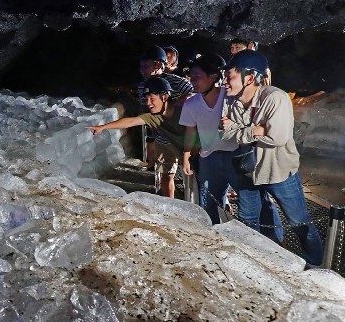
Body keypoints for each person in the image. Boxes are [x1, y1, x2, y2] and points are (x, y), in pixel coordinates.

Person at [220, 50, 322, 265]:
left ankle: (316, 264)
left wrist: (242, 130)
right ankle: (256, 263)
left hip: (278, 171)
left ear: (249, 78)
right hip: (247, 171)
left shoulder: (276, 98)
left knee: (300, 223)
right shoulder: (229, 99)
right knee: (248, 220)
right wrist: (256, 130)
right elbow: (225, 132)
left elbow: (277, 138)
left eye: (229, 76)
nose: (225, 81)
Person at [179, 53, 283, 240]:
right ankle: (211, 238)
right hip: (209, 158)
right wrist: (186, 156)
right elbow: (191, 132)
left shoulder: (231, 97)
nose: (192, 80)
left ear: (212, 77)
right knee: (209, 202)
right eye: (191, 76)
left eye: (197, 76)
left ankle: (271, 239)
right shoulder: (191, 104)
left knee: (253, 201)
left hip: (237, 156)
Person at [89, 77, 192, 198]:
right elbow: (131, 121)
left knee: (192, 178)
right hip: (165, 144)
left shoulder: (185, 110)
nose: (148, 103)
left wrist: (186, 158)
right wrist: (103, 127)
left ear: (164, 97)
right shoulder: (153, 117)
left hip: (188, 147)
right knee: (166, 176)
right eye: (147, 99)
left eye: (152, 99)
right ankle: (170, 204)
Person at [137, 46, 194, 172]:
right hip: (162, 138)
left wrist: (182, 99)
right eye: (141, 66)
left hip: (183, 137)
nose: (142, 70)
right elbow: (146, 108)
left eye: (146, 66)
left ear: (158, 65)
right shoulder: (142, 86)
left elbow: (196, 94)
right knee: (165, 175)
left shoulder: (178, 83)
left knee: (190, 175)